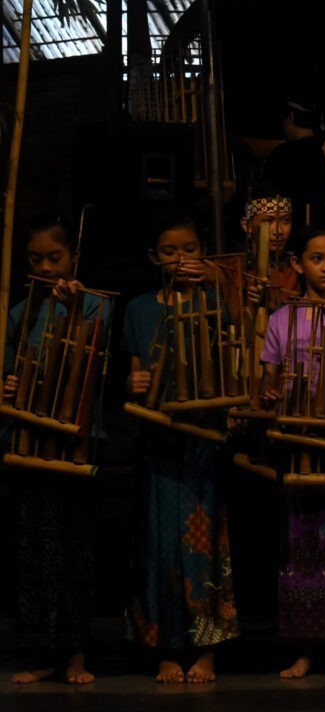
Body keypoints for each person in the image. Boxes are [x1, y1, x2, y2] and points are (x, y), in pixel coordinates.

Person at [122, 214, 240, 683]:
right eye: (169, 251)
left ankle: (208, 648)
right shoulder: (139, 308)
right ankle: (165, 646)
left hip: (204, 440)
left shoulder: (215, 298)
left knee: (204, 543)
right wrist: (135, 382)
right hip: (158, 438)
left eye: (189, 249)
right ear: (155, 257)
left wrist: (220, 279)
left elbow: (245, 332)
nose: (180, 259)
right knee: (160, 545)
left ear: (203, 250)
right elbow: (135, 371)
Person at [259, 226, 325, 679]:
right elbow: (268, 378)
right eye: (317, 259)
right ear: (298, 264)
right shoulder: (281, 319)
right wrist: (269, 395)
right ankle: (304, 649)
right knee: (298, 543)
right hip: (296, 435)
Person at [3, 216, 108, 685]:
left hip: (74, 445)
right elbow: (9, 370)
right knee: (34, 551)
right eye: (35, 259)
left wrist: (74, 308)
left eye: (54, 257)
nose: (44, 267)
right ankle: (41, 653)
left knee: (74, 549)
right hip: (29, 443)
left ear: (73, 258)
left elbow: (92, 367)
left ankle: (76, 654)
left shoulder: (92, 308)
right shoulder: (18, 312)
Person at [264, 97, 325, 228]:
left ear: (291, 117)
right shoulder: (319, 154)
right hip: (317, 227)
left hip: (286, 228)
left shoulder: (283, 154)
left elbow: (265, 195)